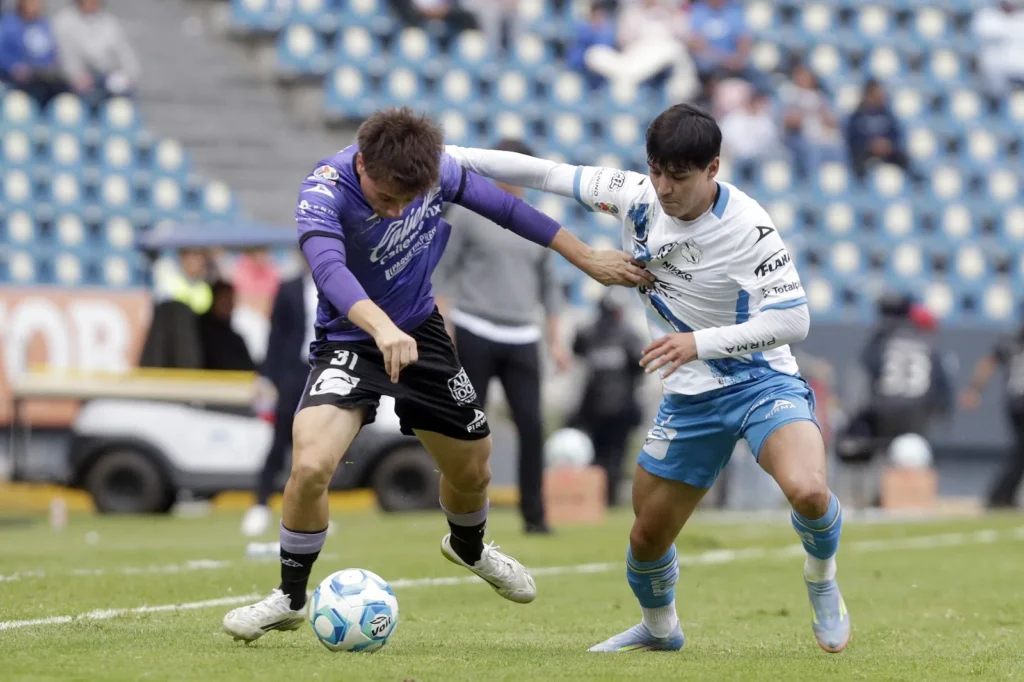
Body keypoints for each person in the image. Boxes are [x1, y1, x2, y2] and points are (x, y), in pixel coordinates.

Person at [221, 107, 652, 642]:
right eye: (385, 200)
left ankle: (468, 547)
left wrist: (586, 257)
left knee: (474, 469)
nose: (398, 210)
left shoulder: (438, 169)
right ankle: (289, 596)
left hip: (420, 335)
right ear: (361, 165)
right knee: (310, 463)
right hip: (352, 340)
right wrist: (380, 328)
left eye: (408, 200)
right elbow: (329, 270)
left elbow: (508, 210)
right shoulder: (324, 191)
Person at [446, 102, 849, 654]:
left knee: (806, 489)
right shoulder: (635, 194)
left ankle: (821, 578)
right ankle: (661, 631)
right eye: (656, 171)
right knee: (645, 535)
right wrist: (446, 158)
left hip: (759, 381)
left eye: (678, 176)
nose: (662, 187)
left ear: (712, 169)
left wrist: (697, 343)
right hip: (689, 397)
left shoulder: (748, 227)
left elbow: (793, 320)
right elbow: (544, 173)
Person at [434, 138, 570, 536]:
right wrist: (444, 325)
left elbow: (549, 290)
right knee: (469, 429)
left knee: (531, 426)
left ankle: (535, 516)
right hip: (475, 328)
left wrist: (556, 342)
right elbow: (442, 271)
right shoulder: (468, 215)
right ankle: (461, 512)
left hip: (522, 336)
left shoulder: (535, 220)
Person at [240, 267, 319, 537]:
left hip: (326, 371)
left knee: (317, 446)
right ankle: (260, 505)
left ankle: (313, 512)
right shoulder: (289, 288)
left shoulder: (339, 285)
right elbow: (276, 335)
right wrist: (266, 377)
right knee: (279, 441)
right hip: (293, 373)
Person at [570, 288, 645, 507]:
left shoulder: (628, 336)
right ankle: (596, 499)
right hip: (596, 406)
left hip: (619, 407)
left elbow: (639, 367)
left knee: (614, 456)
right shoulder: (589, 334)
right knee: (598, 455)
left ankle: (608, 499)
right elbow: (578, 352)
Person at [960, 310, 1024, 509]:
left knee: (1020, 451)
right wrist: (974, 389)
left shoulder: (1011, 340)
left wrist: (974, 389)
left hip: (1014, 403)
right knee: (1020, 452)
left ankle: (1002, 495)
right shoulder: (1011, 341)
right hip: (1018, 402)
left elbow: (988, 363)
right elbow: (988, 363)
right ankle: (999, 496)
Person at [52, 0, 140, 104]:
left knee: (125, 96)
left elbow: (125, 52)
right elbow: (64, 55)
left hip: (105, 78)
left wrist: (129, 75)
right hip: (74, 80)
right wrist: (76, 76)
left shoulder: (109, 22)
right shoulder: (63, 21)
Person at [0, 0, 66, 108]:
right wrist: (12, 66)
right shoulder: (8, 25)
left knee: (61, 89)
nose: (35, 7)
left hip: (41, 76)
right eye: (31, 3)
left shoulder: (44, 25)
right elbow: (2, 53)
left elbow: (51, 53)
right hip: (15, 78)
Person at [198, 280, 256, 372]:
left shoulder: (234, 337)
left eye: (231, 299)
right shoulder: (202, 330)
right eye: (225, 299)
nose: (230, 304)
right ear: (214, 300)